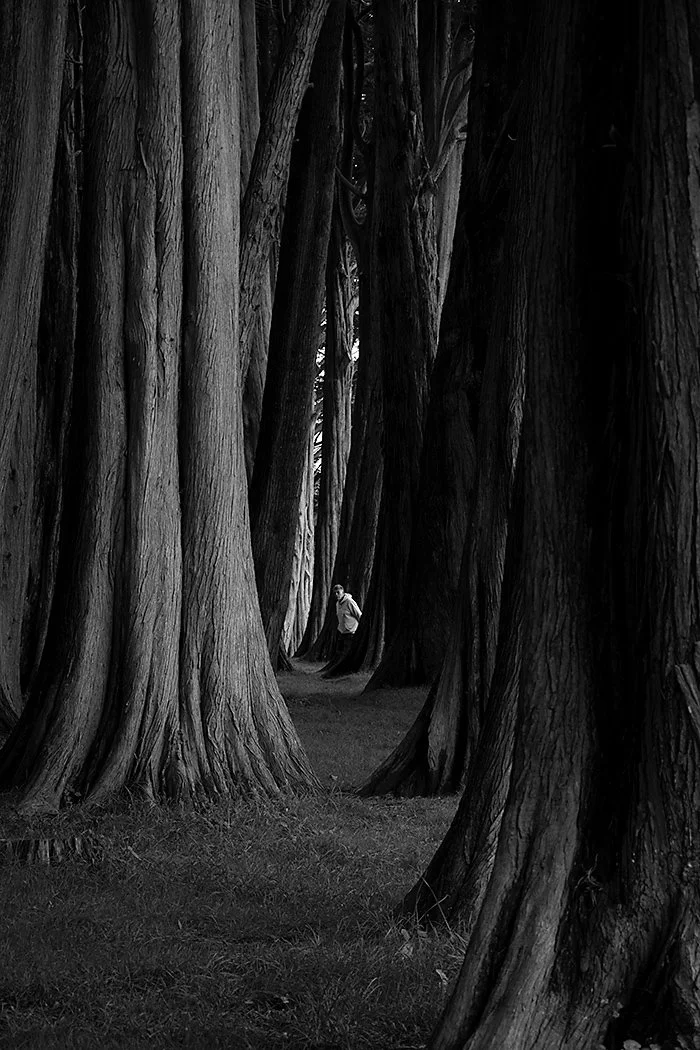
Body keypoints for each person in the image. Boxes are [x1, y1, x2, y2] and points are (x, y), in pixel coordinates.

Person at [333, 583, 362, 655]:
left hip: (351, 633)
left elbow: (359, 615)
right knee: (339, 653)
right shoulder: (337, 604)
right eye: (335, 593)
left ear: (342, 592)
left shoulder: (349, 602)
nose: (336, 594)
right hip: (342, 632)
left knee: (347, 653)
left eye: (338, 592)